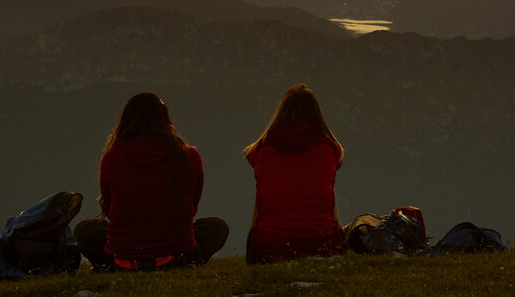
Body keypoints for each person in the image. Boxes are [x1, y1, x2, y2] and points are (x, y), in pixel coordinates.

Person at [75, 92, 228, 271]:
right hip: (178, 254)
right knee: (216, 227)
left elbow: (110, 210)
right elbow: (192, 207)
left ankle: (115, 265)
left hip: (124, 257)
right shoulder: (189, 156)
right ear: (165, 120)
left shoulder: (112, 158)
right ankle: (178, 262)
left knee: (85, 230)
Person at [244, 84, 345, 263]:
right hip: (322, 245)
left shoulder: (262, 149)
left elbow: (259, 206)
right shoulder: (329, 148)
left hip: (268, 249)